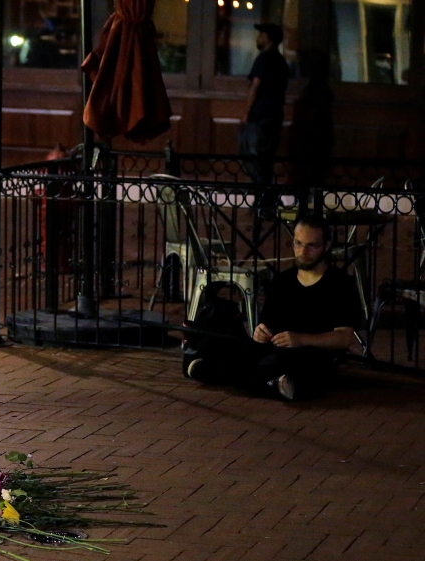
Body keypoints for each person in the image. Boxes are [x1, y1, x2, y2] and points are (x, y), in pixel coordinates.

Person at [184, 215, 363, 400]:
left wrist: (300, 339)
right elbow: (267, 324)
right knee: (217, 345)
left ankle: (222, 374)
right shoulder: (282, 281)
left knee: (286, 362)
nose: (303, 251)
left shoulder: (340, 284)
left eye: (311, 246)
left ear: (325, 246)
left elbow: (344, 338)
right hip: (273, 350)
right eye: (298, 243)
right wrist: (260, 331)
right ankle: (273, 384)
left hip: (310, 353)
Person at [240, 23, 290, 209]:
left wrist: (246, 113)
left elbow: (256, 86)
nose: (258, 37)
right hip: (274, 116)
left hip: (260, 117)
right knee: (265, 160)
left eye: (261, 34)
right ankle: (265, 200)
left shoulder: (264, 59)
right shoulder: (280, 61)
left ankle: (266, 198)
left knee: (254, 159)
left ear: (268, 37)